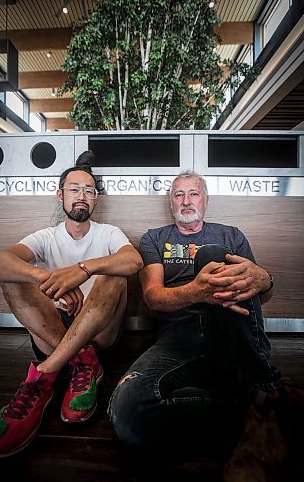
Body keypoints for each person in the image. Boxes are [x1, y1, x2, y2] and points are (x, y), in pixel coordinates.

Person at [108, 170, 297, 479]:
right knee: (127, 414)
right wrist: (198, 291)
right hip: (178, 337)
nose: (186, 201)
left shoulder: (230, 235)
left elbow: (258, 294)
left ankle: (263, 391)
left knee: (210, 254)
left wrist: (266, 279)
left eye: (193, 193)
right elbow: (153, 296)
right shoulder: (155, 238)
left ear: (205, 200)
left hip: (230, 330)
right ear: (170, 202)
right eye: (178, 195)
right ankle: (257, 406)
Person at [0, 150, 143, 459]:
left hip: (100, 330)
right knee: (13, 274)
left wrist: (82, 270)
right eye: (74, 189)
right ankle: (84, 362)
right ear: (60, 196)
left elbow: (133, 261)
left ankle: (43, 375)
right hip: (53, 328)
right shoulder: (45, 237)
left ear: (95, 199)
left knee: (115, 271)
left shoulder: (108, 233)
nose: (82, 196)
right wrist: (49, 280)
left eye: (88, 191)